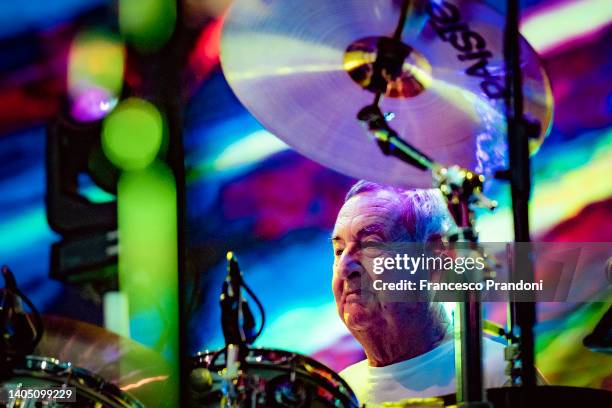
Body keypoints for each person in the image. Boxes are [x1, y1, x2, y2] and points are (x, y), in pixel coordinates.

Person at [331, 180, 507, 407]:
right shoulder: (339, 392)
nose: (344, 268)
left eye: (371, 245)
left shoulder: (498, 374)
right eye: (339, 250)